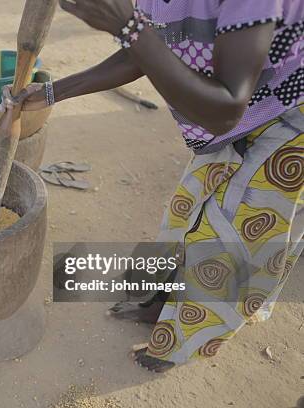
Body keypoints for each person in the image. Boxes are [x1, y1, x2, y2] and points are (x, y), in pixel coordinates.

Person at [15, 0, 303, 372]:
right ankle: (161, 300)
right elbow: (147, 53)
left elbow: (224, 109)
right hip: (237, 119)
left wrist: (129, 27)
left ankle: (176, 346)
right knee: (183, 213)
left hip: (286, 119)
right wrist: (51, 93)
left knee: (228, 249)